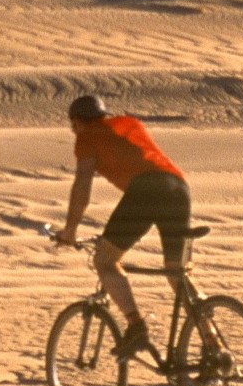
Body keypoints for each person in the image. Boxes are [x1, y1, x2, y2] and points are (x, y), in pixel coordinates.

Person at [52, 92, 196, 348]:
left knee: (104, 260)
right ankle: (213, 342)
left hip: (147, 189)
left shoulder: (87, 137)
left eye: (73, 126)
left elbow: (82, 185)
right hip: (179, 188)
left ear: (77, 122)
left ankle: (136, 325)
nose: (74, 132)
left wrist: (70, 230)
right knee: (176, 273)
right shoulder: (129, 124)